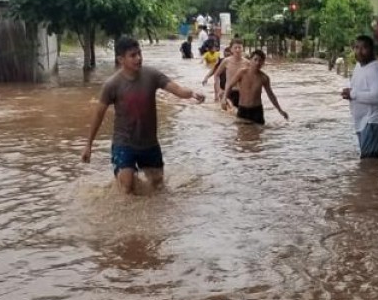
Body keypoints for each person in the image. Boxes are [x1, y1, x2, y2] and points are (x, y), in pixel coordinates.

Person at [81, 36, 205, 195]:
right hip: (124, 143)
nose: (138, 58)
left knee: (158, 187)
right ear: (121, 59)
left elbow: (177, 89)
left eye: (139, 53)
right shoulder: (112, 85)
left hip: (149, 143)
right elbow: (98, 115)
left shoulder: (152, 75)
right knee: (127, 187)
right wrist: (88, 145)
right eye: (133, 55)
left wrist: (192, 93)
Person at [341, 35, 378, 158]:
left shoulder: (376, 70)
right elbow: (359, 90)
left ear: (372, 49)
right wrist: (350, 93)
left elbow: (377, 97)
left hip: (374, 120)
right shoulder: (358, 66)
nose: (359, 51)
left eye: (364, 48)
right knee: (369, 165)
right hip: (362, 122)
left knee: (370, 162)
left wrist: (352, 94)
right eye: (357, 48)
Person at [221, 49, 288, 125]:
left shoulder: (264, 78)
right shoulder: (242, 73)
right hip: (243, 109)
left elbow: (271, 95)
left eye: (260, 61)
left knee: (257, 135)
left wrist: (280, 110)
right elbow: (229, 85)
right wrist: (224, 98)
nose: (257, 63)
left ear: (263, 63)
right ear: (250, 60)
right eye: (255, 59)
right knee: (242, 134)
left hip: (257, 111)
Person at [202, 37, 248, 107]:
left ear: (243, 48)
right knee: (230, 113)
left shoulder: (247, 63)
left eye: (239, 47)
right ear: (231, 49)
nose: (237, 50)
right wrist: (219, 90)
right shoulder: (226, 61)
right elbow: (216, 74)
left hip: (242, 93)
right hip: (228, 93)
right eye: (235, 48)